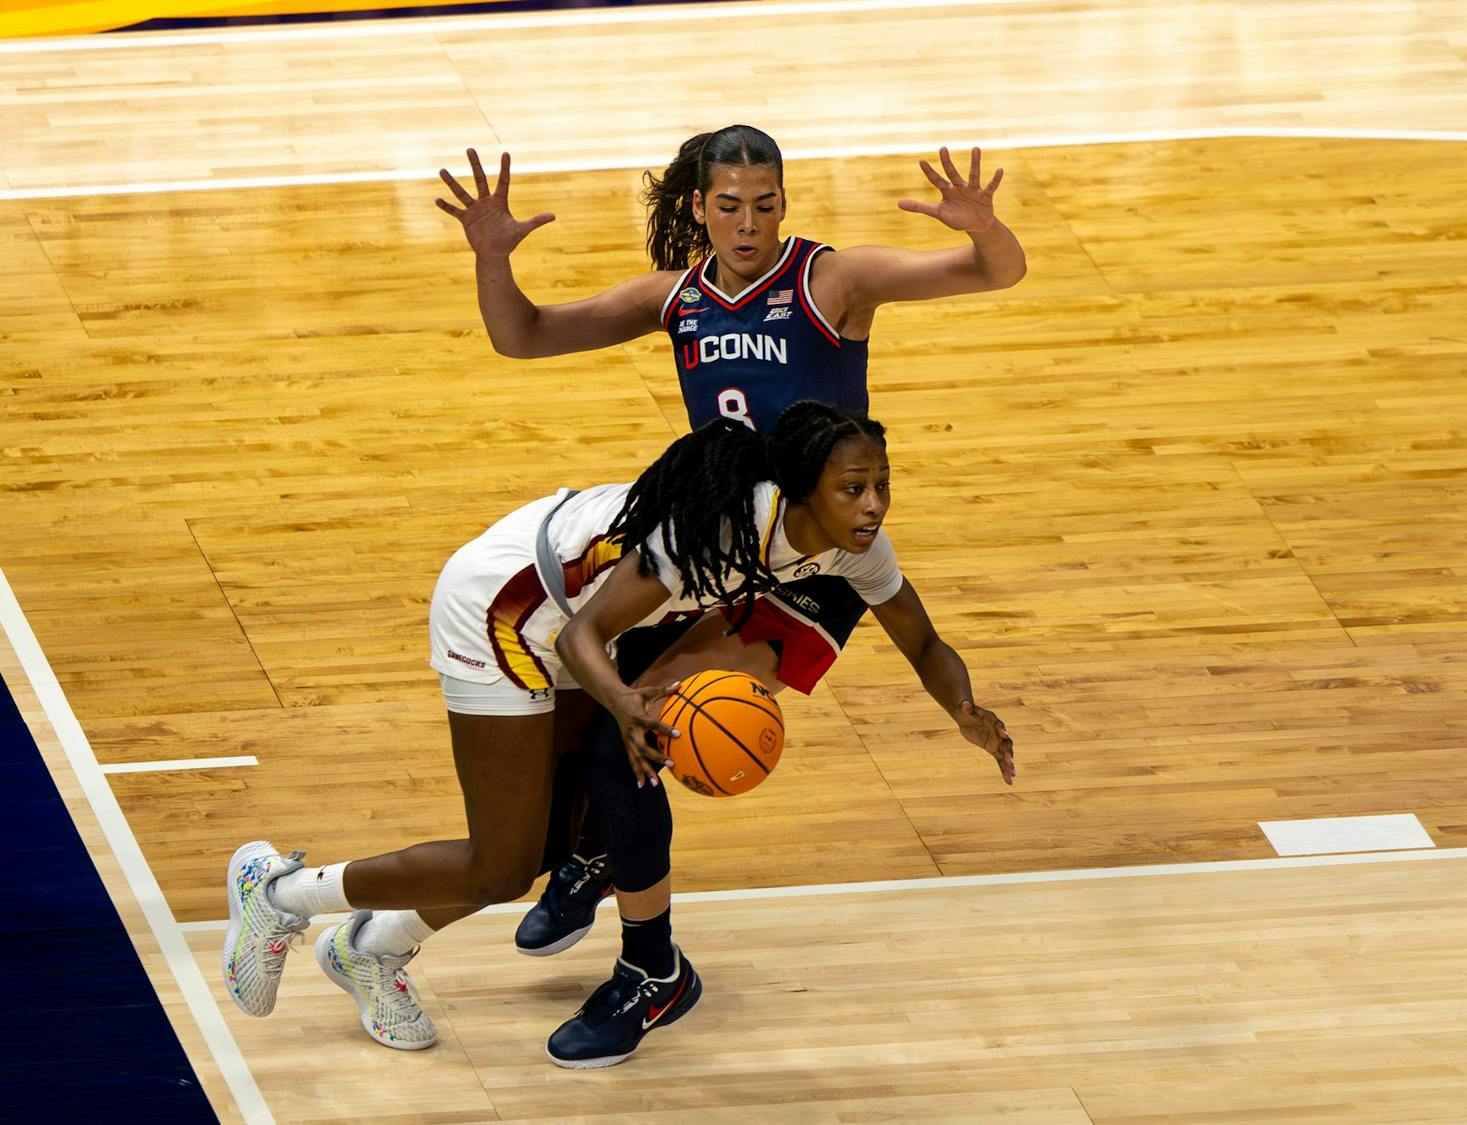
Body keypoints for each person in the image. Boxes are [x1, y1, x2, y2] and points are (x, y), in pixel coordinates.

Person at [221, 403, 1014, 1068]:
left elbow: (923, 639)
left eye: (881, 484)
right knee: (501, 865)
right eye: (855, 488)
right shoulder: (720, 526)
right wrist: (629, 707)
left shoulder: (853, 548)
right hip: (503, 608)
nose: (873, 503)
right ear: (807, 489)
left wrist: (965, 711)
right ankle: (279, 892)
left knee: (549, 844)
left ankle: (372, 947)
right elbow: (581, 639)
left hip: (569, 620)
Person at [434, 124, 1027, 966]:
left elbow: (996, 271)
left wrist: (982, 228)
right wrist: (492, 256)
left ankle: (644, 953)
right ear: (697, 208)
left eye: (765, 205)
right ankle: (596, 855)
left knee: (638, 730)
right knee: (599, 725)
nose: (749, 224)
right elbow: (521, 335)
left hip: (816, 556)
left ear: (784, 204)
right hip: (721, 547)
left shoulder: (832, 280)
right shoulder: (672, 298)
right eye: (729, 207)